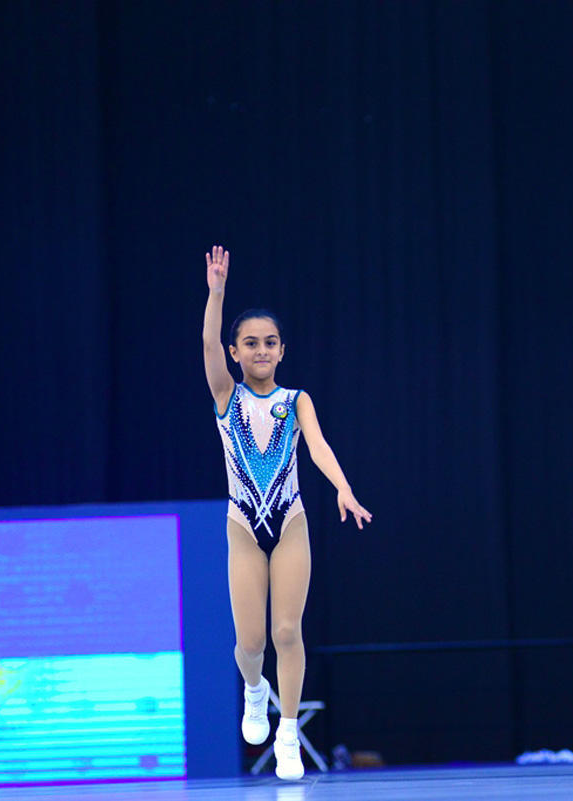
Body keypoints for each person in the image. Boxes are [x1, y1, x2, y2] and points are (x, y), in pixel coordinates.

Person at [202, 245, 372, 780]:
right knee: (249, 644)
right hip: (244, 527)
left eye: (269, 343)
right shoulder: (226, 395)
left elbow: (318, 446)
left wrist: (343, 488)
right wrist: (217, 293)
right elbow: (207, 340)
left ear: (281, 351)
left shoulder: (295, 399)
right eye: (249, 343)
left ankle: (288, 732)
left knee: (288, 632)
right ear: (234, 352)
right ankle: (255, 692)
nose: (260, 350)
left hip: (290, 521)